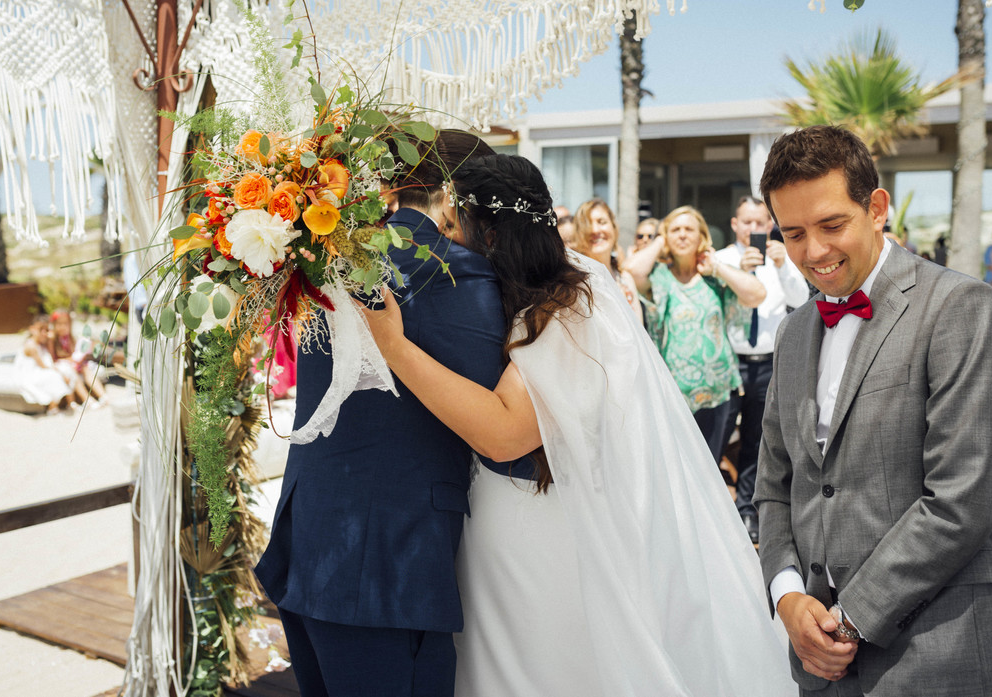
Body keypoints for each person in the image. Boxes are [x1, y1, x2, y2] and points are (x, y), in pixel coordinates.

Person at [362, 154, 795, 697]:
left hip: (539, 528)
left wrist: (393, 346)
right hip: (506, 521)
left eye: (452, 226)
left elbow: (505, 433)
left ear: (488, 233)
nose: (446, 240)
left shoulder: (569, 303)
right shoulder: (540, 289)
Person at [754, 125, 992, 696]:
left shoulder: (963, 309)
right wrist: (787, 596)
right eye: (793, 233)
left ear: (877, 208)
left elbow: (961, 500)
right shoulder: (792, 335)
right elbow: (775, 484)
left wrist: (851, 616)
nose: (814, 252)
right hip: (822, 667)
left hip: (945, 654)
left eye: (832, 225)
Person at [254, 130, 519, 697]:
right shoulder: (457, 274)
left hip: (314, 545)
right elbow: (500, 425)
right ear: (455, 195)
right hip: (387, 571)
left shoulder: (324, 260)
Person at [625, 206, 766, 462]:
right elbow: (632, 271)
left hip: (720, 395)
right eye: (675, 230)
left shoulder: (712, 278)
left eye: (689, 229)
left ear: (702, 237)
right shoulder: (659, 277)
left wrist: (717, 267)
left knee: (710, 473)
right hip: (672, 397)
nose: (681, 235)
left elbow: (757, 294)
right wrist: (660, 238)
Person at [716, 196, 808, 543]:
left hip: (769, 362)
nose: (756, 229)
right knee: (717, 436)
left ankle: (746, 512)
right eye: (748, 222)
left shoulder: (781, 257)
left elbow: (800, 300)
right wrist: (741, 268)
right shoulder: (722, 259)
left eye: (762, 222)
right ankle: (712, 510)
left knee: (757, 440)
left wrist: (784, 267)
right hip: (730, 361)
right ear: (735, 224)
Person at [570, 198, 643, 321]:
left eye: (602, 222)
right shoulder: (575, 283)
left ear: (614, 227)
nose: (595, 230)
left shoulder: (625, 279)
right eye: (587, 224)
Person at [14, 316, 73, 413]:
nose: (44, 333)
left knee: (66, 368)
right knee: (55, 376)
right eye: (41, 330)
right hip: (30, 375)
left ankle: (70, 402)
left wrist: (50, 341)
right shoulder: (31, 346)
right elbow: (42, 365)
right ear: (32, 329)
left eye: (46, 330)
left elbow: (51, 358)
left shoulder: (41, 344)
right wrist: (60, 373)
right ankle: (53, 405)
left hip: (39, 371)